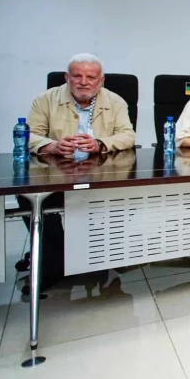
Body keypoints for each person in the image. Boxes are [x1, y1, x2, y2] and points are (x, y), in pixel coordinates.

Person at [19, 53, 136, 293]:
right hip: (56, 173)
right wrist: (51, 146)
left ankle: (94, 256)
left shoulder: (116, 102)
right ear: (67, 78)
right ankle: (54, 263)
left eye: (90, 77)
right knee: (31, 199)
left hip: (100, 174)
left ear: (101, 80)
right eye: (77, 76)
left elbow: (128, 135)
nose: (84, 82)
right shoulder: (45, 100)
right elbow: (28, 134)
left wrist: (101, 144)